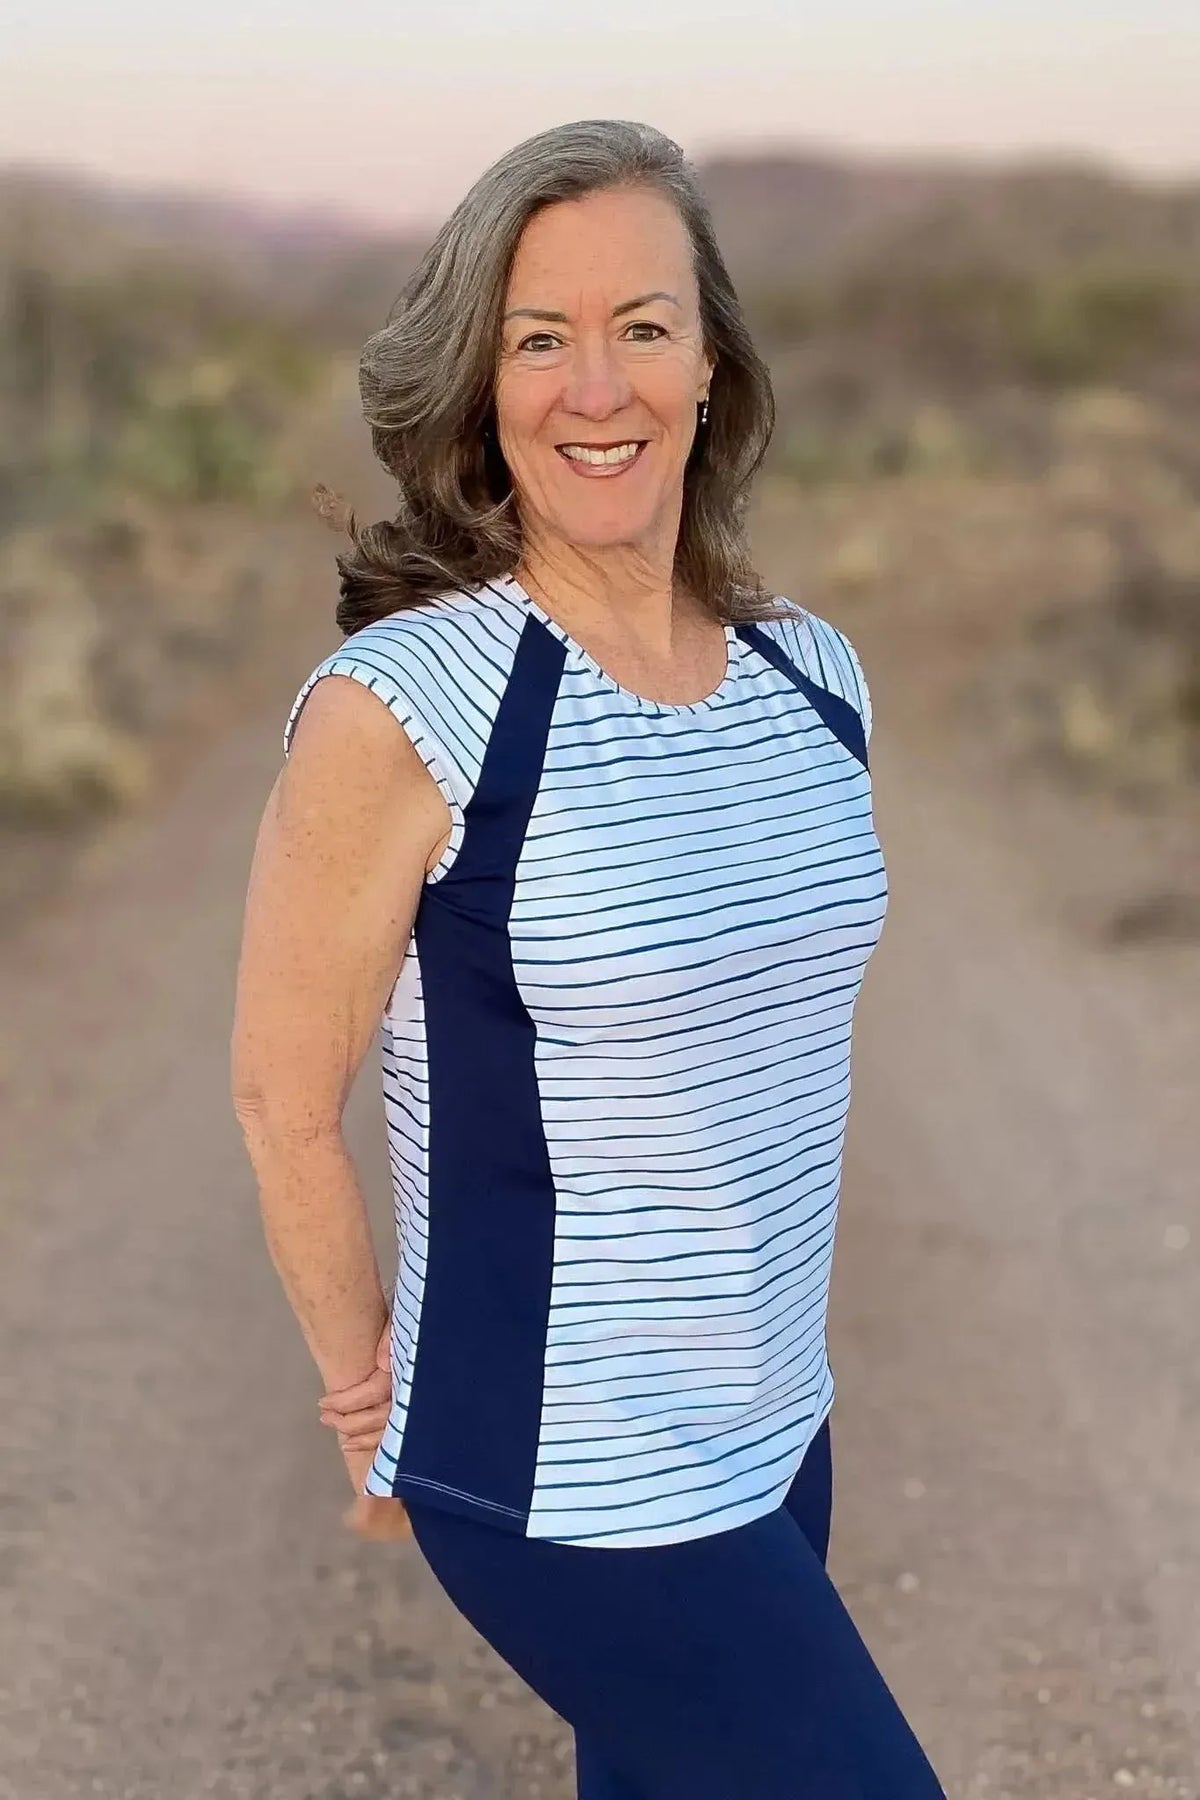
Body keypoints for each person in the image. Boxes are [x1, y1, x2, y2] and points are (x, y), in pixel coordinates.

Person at [231, 117, 947, 1799]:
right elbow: (281, 1099)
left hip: (779, 1432)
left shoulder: (813, 677)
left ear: (713, 366)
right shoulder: (409, 704)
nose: (595, 386)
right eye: (538, 339)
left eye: (642, 326)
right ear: (482, 389)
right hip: (569, 1473)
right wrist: (364, 1389)